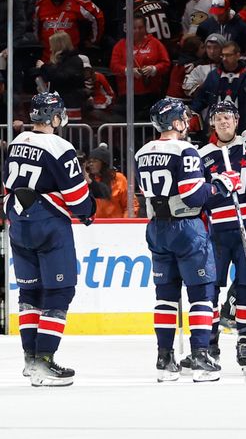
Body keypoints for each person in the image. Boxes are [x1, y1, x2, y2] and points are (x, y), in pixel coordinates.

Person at [135, 98, 241, 382]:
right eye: (183, 118)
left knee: (165, 296)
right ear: (175, 122)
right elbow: (194, 195)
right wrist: (221, 184)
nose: (187, 122)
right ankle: (200, 356)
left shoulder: (142, 152)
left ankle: (164, 358)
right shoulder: (185, 150)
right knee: (201, 293)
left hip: (156, 227)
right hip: (186, 227)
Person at [5, 92, 96, 386]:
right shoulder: (60, 146)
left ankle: (31, 361)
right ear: (54, 117)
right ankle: (45, 360)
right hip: (48, 225)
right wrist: (87, 212)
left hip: (17, 224)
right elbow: (78, 197)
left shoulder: (18, 141)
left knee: (30, 293)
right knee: (59, 292)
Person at [196, 102, 246, 370]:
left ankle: (245, 339)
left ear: (237, 120)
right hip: (217, 233)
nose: (223, 122)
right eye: (218, 118)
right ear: (212, 123)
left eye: (228, 117)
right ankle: (210, 342)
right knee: (210, 288)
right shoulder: (202, 156)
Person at [191, 41, 246, 134]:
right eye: (223, 55)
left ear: (237, 55)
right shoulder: (214, 76)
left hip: (242, 129)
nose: (225, 59)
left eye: (228, 55)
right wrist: (193, 112)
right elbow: (201, 99)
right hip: (215, 130)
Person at [110, 13, 172, 120]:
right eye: (134, 28)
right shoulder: (120, 45)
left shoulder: (155, 43)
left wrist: (154, 69)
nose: (137, 31)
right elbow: (114, 66)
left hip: (151, 95)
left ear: (145, 28)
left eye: (140, 27)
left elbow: (166, 63)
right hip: (127, 96)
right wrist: (127, 71)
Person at [33, 0, 105, 62]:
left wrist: (93, 40)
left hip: (71, 56)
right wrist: (38, 39)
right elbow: (35, 23)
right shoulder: (42, 3)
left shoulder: (79, 1)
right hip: (48, 56)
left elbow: (98, 17)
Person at [34, 32, 85, 122]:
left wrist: (44, 67)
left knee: (70, 133)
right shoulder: (58, 62)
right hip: (56, 104)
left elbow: (62, 78)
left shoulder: (74, 61)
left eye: (52, 45)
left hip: (70, 104)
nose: (50, 48)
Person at [84, 143, 138, 218]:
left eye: (95, 161)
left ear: (104, 163)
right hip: (91, 226)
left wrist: (125, 224)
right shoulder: (86, 181)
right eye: (89, 162)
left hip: (116, 225)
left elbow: (131, 206)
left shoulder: (119, 179)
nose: (91, 164)